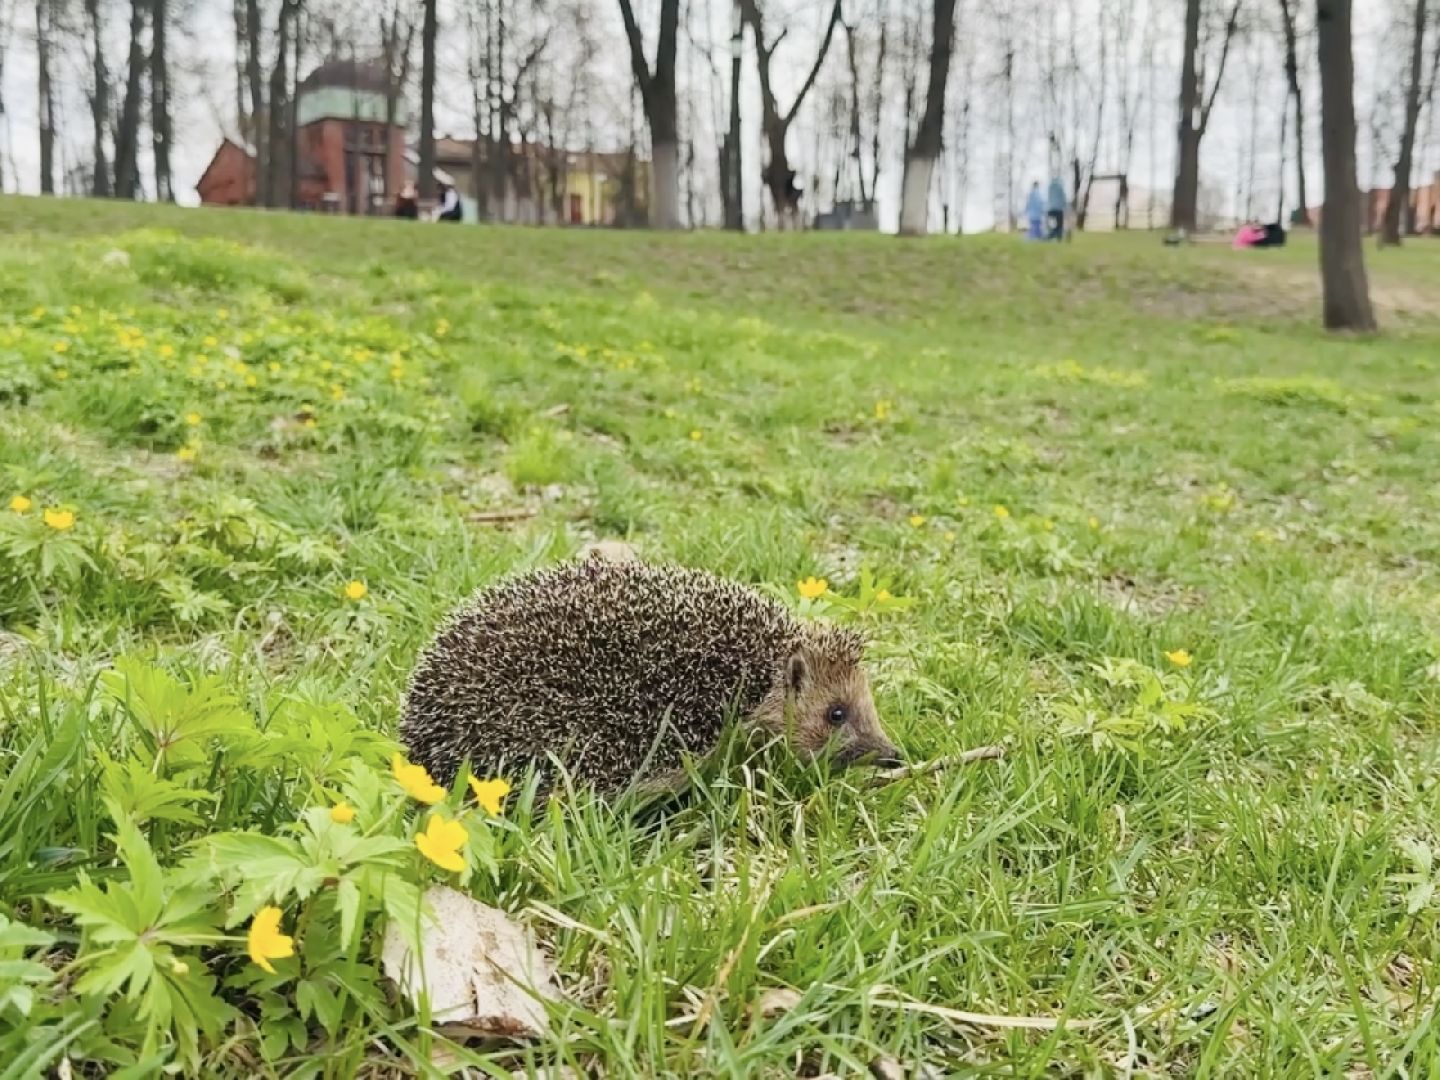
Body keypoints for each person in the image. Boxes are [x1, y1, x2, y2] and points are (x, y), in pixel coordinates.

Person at [1046, 176, 1067, 241]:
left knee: (1052, 226)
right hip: (1058, 209)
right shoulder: (1060, 187)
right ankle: (1058, 237)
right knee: (1059, 225)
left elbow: (1048, 198)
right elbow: (1063, 198)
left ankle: (1050, 236)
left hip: (1051, 209)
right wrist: (1065, 206)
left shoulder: (1050, 187)